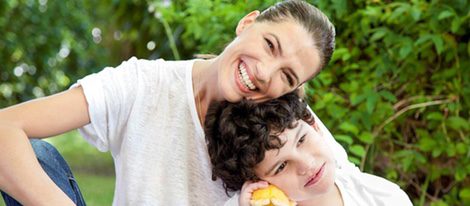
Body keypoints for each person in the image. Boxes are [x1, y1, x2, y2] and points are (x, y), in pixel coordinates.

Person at [0, 0, 343, 205]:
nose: (266, 73)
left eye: (287, 76)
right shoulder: (143, 85)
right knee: (37, 157)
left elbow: (348, 188)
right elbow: (5, 127)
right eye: (270, 45)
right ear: (247, 23)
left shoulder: (287, 127)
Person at [205, 92, 413, 206]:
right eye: (281, 166)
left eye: (301, 140)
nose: (306, 164)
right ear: (258, 183)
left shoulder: (383, 197)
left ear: (313, 125)